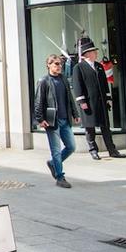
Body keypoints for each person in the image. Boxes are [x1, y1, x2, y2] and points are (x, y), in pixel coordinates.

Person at [72, 36, 126, 160]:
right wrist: (82, 101)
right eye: (93, 51)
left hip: (101, 101)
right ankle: (93, 150)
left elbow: (105, 84)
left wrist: (108, 98)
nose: (96, 53)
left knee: (105, 127)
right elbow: (77, 86)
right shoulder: (78, 68)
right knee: (90, 128)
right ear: (87, 54)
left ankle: (112, 150)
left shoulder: (99, 66)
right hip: (89, 102)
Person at [34, 54, 80, 188]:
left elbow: (70, 98)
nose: (59, 66)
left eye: (60, 64)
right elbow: (38, 101)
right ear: (48, 65)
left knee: (71, 146)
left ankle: (53, 164)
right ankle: (60, 177)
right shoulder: (44, 81)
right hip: (51, 120)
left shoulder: (64, 79)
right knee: (56, 149)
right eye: (56, 64)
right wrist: (40, 119)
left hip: (65, 119)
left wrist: (75, 113)